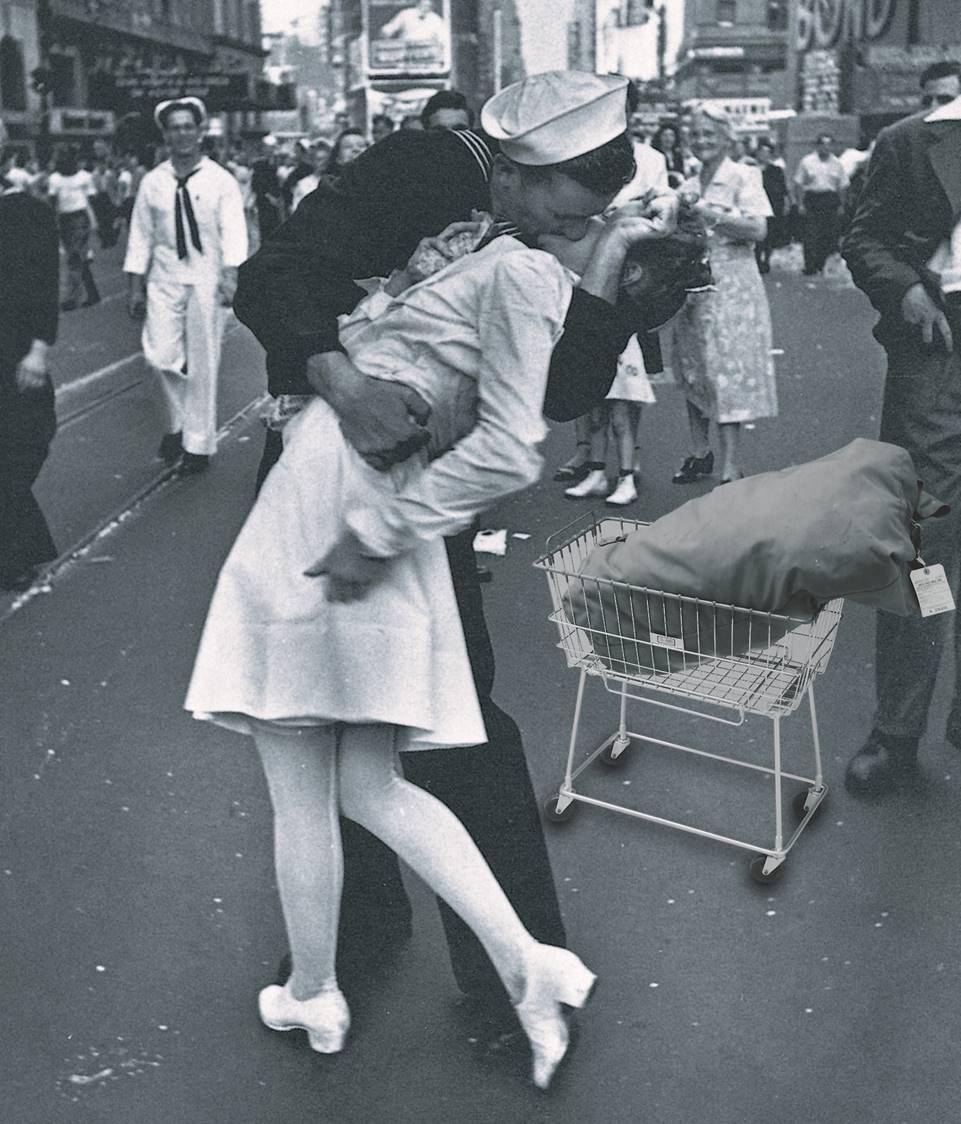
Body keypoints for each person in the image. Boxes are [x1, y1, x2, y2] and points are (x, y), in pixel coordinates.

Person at [191, 71, 664, 1088]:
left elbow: (554, 393)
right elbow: (278, 274)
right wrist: (339, 377)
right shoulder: (423, 168)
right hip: (331, 453)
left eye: (589, 220)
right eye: (559, 211)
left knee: (451, 721)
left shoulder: (559, 242)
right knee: (333, 726)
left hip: (419, 489)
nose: (562, 231)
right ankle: (357, 936)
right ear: (521, 168)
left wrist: (612, 298)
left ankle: (501, 972)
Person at [841, 88, 961, 796]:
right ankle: (896, 729)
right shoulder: (914, 140)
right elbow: (863, 237)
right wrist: (906, 293)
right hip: (937, 343)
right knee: (924, 541)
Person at [123, 97, 248, 474]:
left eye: (187, 127)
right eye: (174, 127)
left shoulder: (220, 181)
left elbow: (234, 232)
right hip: (164, 279)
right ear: (165, 134)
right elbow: (140, 236)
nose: (181, 134)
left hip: (206, 279)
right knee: (159, 357)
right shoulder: (153, 182)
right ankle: (177, 426)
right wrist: (134, 285)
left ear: (199, 132)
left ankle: (198, 444)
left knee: (204, 362)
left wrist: (231, 276)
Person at [555, 91, 670, 492]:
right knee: (577, 357)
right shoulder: (574, 157)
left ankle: (628, 459)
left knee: (627, 378)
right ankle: (587, 453)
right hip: (578, 269)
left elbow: (660, 211)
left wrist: (635, 217)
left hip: (630, 277)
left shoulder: (652, 161)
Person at [668, 104, 777, 485]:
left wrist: (707, 213)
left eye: (709, 134)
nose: (701, 141)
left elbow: (757, 229)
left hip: (733, 285)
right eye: (696, 135)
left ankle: (732, 463)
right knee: (693, 369)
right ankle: (700, 452)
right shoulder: (688, 184)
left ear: (728, 138)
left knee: (727, 371)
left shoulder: (744, 176)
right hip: (692, 286)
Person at [0, 125, 61, 591]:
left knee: (25, 445)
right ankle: (16, 554)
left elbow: (44, 285)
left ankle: (22, 546)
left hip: (18, 352)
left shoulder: (31, 214)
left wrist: (39, 349)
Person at [48, 147, 100, 312]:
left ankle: (72, 297)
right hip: (64, 219)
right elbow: (52, 201)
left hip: (79, 218)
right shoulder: (55, 179)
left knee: (74, 257)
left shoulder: (84, 177)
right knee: (78, 259)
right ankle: (93, 293)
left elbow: (92, 200)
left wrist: (94, 222)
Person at [794, 133, 848, 276]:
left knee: (827, 233)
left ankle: (821, 263)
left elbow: (842, 186)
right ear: (817, 146)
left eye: (829, 144)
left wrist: (842, 205)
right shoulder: (807, 162)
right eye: (823, 144)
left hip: (830, 200)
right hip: (813, 199)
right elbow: (799, 183)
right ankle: (810, 266)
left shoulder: (837, 163)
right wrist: (800, 204)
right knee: (811, 233)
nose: (826, 147)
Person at [754, 138, 789, 274]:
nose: (764, 155)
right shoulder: (751, 169)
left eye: (767, 153)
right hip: (756, 206)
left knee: (770, 234)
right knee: (758, 234)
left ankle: (766, 259)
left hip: (773, 205)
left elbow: (783, 188)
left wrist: (786, 203)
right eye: (762, 152)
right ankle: (757, 259)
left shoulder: (776, 170)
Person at [251, 138, 283, 240]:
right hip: (265, 203)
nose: (271, 150)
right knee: (266, 231)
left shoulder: (278, 163)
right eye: (268, 147)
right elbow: (256, 185)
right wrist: (269, 196)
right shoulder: (259, 165)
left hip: (277, 203)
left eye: (273, 147)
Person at [289, 141, 332, 212]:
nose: (324, 163)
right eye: (319, 159)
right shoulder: (303, 184)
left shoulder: (335, 181)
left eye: (326, 160)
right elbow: (296, 209)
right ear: (313, 161)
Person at [381, 0, 446, 46]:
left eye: (428, 6)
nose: (425, 8)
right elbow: (391, 27)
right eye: (423, 5)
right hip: (406, 49)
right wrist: (386, 32)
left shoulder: (436, 19)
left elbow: (442, 37)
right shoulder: (406, 14)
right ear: (417, 4)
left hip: (428, 52)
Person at [652, 123, 686, 188]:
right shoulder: (654, 154)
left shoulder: (678, 155)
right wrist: (673, 174)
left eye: (671, 135)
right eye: (665, 135)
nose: (668, 138)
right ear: (659, 137)